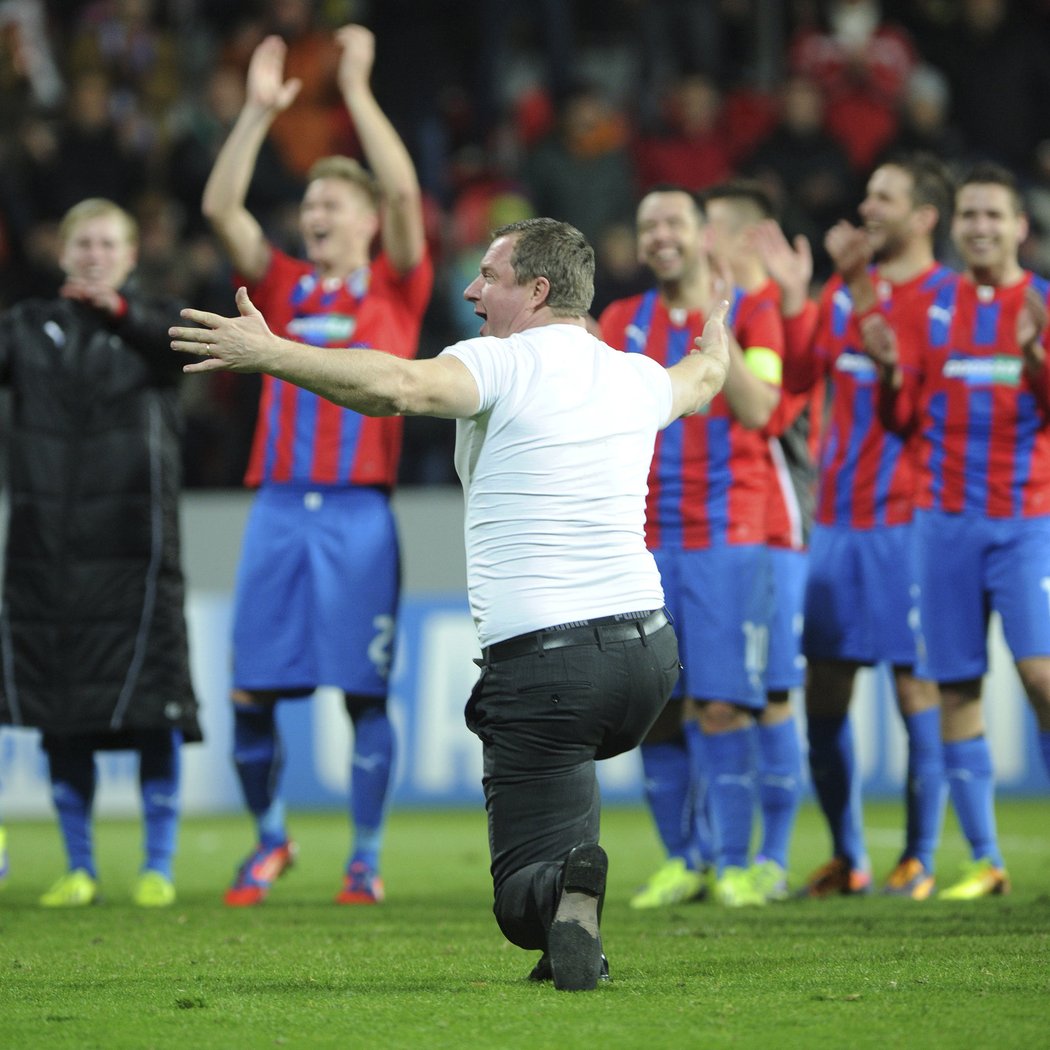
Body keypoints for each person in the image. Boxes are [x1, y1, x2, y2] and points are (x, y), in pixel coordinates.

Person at [171, 217, 731, 990]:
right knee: (564, 777)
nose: (470, 289)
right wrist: (718, 336)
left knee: (517, 895)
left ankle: (561, 890)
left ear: (536, 291)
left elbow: (396, 386)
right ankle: (578, 923)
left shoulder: (501, 362)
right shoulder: (634, 373)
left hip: (548, 665)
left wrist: (270, 353)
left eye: (490, 276)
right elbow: (700, 381)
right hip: (649, 658)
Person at [201, 24, 432, 907]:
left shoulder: (396, 286)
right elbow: (223, 211)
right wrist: (258, 114)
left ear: (370, 222)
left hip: (358, 512)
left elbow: (406, 188)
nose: (316, 215)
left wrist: (359, 91)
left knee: (361, 694)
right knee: (251, 691)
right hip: (275, 513)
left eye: (333, 204)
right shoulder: (289, 287)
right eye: (309, 205)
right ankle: (270, 842)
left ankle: (365, 856)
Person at [753, 153, 955, 899]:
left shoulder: (947, 299)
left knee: (917, 692)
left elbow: (909, 398)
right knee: (825, 699)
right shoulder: (843, 292)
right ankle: (849, 855)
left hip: (910, 519)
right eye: (868, 192)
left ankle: (920, 858)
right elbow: (802, 377)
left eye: (884, 196)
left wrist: (858, 289)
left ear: (924, 216)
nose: (866, 205)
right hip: (835, 521)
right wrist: (802, 298)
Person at [0, 197, 201, 907]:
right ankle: (78, 866)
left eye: (107, 243)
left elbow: (182, 342)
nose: (93, 254)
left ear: (130, 255)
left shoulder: (156, 324)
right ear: (61, 252)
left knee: (155, 711)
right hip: (47, 556)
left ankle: (158, 866)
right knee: (64, 717)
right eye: (82, 242)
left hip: (136, 556)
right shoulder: (25, 328)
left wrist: (119, 311)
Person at [862, 162, 1050, 898]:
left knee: (1041, 676)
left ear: (1019, 227)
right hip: (940, 523)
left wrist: (1036, 360)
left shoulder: (1041, 302)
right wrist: (886, 376)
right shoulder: (930, 306)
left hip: (1024, 519)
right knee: (957, 687)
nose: (980, 227)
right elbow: (902, 421)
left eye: (993, 216)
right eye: (969, 215)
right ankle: (986, 861)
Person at [598, 186, 782, 909]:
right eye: (647, 226)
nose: (660, 236)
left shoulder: (755, 310)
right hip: (642, 537)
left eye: (673, 221)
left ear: (704, 234)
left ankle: (734, 863)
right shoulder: (621, 320)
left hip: (728, 534)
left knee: (723, 705)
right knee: (659, 707)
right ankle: (685, 860)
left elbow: (760, 408)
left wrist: (719, 339)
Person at [704, 181, 812, 902]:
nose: (690, 235)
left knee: (770, 695)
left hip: (767, 527)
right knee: (707, 700)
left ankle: (770, 859)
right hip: (700, 528)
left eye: (704, 224)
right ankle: (714, 856)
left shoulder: (765, 312)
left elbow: (762, 409)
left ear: (744, 238)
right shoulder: (686, 310)